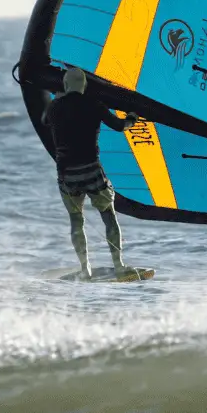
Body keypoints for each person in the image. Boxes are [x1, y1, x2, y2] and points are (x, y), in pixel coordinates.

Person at [42, 67, 138, 280]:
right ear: (84, 86)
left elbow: (44, 121)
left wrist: (58, 96)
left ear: (66, 86)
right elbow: (119, 126)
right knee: (109, 216)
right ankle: (119, 265)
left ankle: (85, 269)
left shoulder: (54, 107)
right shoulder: (94, 104)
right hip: (92, 172)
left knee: (76, 220)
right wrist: (132, 117)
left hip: (67, 175)